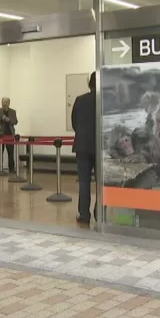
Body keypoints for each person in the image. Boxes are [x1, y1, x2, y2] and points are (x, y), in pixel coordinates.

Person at [71, 72, 97, 224]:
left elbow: (74, 122)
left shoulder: (80, 100)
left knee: (84, 182)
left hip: (82, 146)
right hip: (100, 146)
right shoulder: (105, 100)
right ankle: (100, 213)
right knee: (101, 183)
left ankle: (84, 214)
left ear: (89, 83)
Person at [0, 97, 18, 174]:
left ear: (9, 103)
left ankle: (11, 169)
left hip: (10, 135)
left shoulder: (13, 112)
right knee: (0, 153)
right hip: (0, 135)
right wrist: (2, 119)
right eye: (3, 102)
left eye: (6, 102)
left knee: (11, 153)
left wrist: (9, 120)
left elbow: (15, 121)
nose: (4, 104)